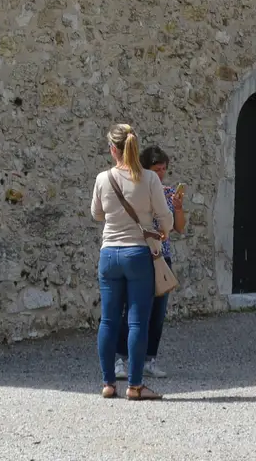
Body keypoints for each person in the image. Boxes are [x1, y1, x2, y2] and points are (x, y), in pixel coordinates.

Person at [89, 122, 173, 400]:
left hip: (109, 252)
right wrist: (161, 232)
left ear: (113, 149)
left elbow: (96, 214)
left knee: (109, 320)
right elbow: (166, 217)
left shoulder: (103, 178)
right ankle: (135, 385)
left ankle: (108, 383)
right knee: (138, 321)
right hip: (138, 253)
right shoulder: (148, 179)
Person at [138, 144, 188, 379]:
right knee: (135, 310)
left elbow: (179, 227)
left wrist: (178, 208)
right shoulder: (137, 191)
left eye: (163, 169)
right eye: (156, 169)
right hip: (141, 254)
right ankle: (122, 358)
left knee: (157, 313)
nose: (160, 174)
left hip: (162, 258)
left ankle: (150, 359)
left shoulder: (168, 193)